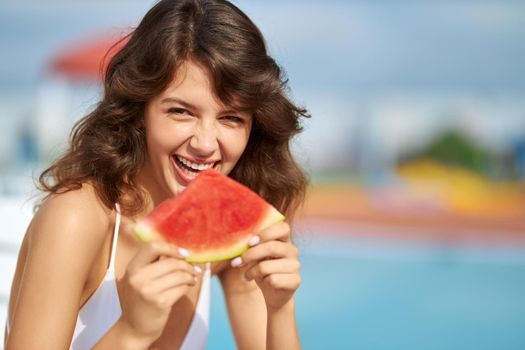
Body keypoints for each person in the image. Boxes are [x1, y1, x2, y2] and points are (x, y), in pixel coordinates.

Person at [5, 0, 308, 349]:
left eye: (232, 118)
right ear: (140, 110)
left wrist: (280, 308)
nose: (206, 143)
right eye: (181, 112)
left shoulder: (234, 240)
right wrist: (132, 330)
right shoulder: (76, 218)